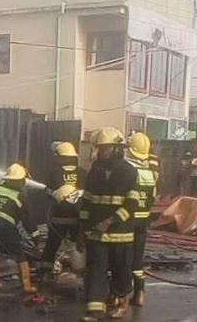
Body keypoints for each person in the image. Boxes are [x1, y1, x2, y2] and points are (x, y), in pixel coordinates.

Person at [77, 127, 138, 321]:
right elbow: (86, 201)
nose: (99, 152)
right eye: (99, 148)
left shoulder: (128, 171)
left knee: (121, 270)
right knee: (96, 270)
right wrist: (82, 228)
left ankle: (121, 302)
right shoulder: (95, 170)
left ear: (116, 149)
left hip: (121, 233)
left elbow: (132, 204)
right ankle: (95, 310)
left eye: (104, 148)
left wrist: (110, 220)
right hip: (96, 233)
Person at [0, 163, 37, 294]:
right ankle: (27, 286)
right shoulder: (20, 194)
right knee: (20, 254)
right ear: (20, 180)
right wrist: (35, 235)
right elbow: (27, 219)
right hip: (5, 225)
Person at [39, 142, 84, 280]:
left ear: (61, 157)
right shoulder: (82, 172)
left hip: (57, 217)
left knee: (52, 244)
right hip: (77, 217)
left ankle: (45, 274)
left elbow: (47, 191)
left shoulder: (55, 172)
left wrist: (53, 193)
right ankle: (81, 272)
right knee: (75, 245)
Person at [125, 132, 157, 307]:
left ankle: (117, 296)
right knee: (137, 259)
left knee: (121, 258)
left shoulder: (127, 170)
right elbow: (152, 197)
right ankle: (139, 294)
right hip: (143, 221)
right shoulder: (150, 172)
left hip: (126, 219)